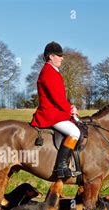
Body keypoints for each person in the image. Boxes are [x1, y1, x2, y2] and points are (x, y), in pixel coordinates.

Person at [30, 41, 81, 179]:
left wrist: (69, 108)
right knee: (74, 132)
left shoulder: (52, 71)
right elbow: (57, 98)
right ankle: (61, 167)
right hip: (50, 113)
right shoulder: (48, 72)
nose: (62, 58)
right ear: (51, 56)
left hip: (56, 111)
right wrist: (70, 109)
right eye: (59, 55)